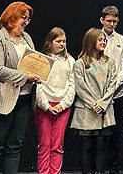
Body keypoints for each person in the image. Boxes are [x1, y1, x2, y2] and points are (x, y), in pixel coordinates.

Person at [0, 1, 40, 174]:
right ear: (11, 17)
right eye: (23, 17)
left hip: (24, 99)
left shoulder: (27, 39)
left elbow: (34, 63)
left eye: (28, 19)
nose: (26, 22)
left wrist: (39, 74)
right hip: (0, 99)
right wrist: (25, 77)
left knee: (15, 145)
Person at [71, 28, 119, 174]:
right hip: (86, 111)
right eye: (100, 40)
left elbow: (112, 84)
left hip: (104, 111)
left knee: (102, 144)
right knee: (86, 145)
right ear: (91, 41)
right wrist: (93, 104)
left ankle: (100, 171)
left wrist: (102, 103)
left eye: (104, 40)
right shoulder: (80, 63)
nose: (103, 42)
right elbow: (80, 87)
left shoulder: (109, 62)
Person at [35, 27, 76, 174]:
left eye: (64, 41)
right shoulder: (42, 59)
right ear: (50, 42)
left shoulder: (70, 61)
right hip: (45, 106)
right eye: (58, 41)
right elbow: (38, 85)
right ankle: (44, 172)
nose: (62, 44)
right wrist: (46, 106)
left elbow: (72, 85)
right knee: (45, 143)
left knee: (57, 144)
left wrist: (63, 105)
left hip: (62, 106)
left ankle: (55, 172)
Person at [99, 5, 123, 174]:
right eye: (109, 21)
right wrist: (102, 89)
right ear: (102, 20)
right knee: (98, 134)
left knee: (115, 133)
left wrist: (113, 87)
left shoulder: (122, 41)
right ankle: (98, 168)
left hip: (117, 93)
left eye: (115, 21)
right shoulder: (94, 37)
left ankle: (114, 168)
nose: (111, 24)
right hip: (97, 94)